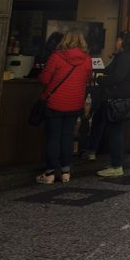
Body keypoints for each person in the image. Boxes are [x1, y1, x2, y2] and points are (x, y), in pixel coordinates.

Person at [36, 30, 93, 184]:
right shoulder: (87, 60)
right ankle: (66, 172)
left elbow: (44, 79)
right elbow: (88, 79)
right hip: (75, 103)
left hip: (55, 103)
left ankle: (49, 173)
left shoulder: (56, 57)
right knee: (67, 137)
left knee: (53, 137)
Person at [84, 30, 130, 177]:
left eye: (118, 39)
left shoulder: (124, 58)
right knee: (104, 123)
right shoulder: (125, 57)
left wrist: (100, 79)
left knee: (115, 131)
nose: (116, 42)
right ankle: (96, 152)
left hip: (116, 99)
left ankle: (116, 165)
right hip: (117, 98)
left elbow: (117, 77)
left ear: (124, 41)